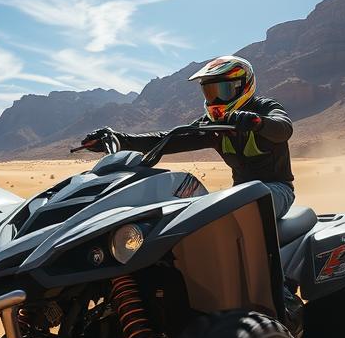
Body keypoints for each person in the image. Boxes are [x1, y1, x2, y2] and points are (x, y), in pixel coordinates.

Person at [81, 54, 296, 217]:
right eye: (210, 92)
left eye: (223, 90)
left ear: (243, 86)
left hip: (276, 190)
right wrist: (120, 139)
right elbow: (169, 139)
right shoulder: (213, 124)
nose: (215, 98)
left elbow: (283, 128)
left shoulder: (263, 107)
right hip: (238, 193)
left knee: (238, 208)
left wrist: (255, 122)